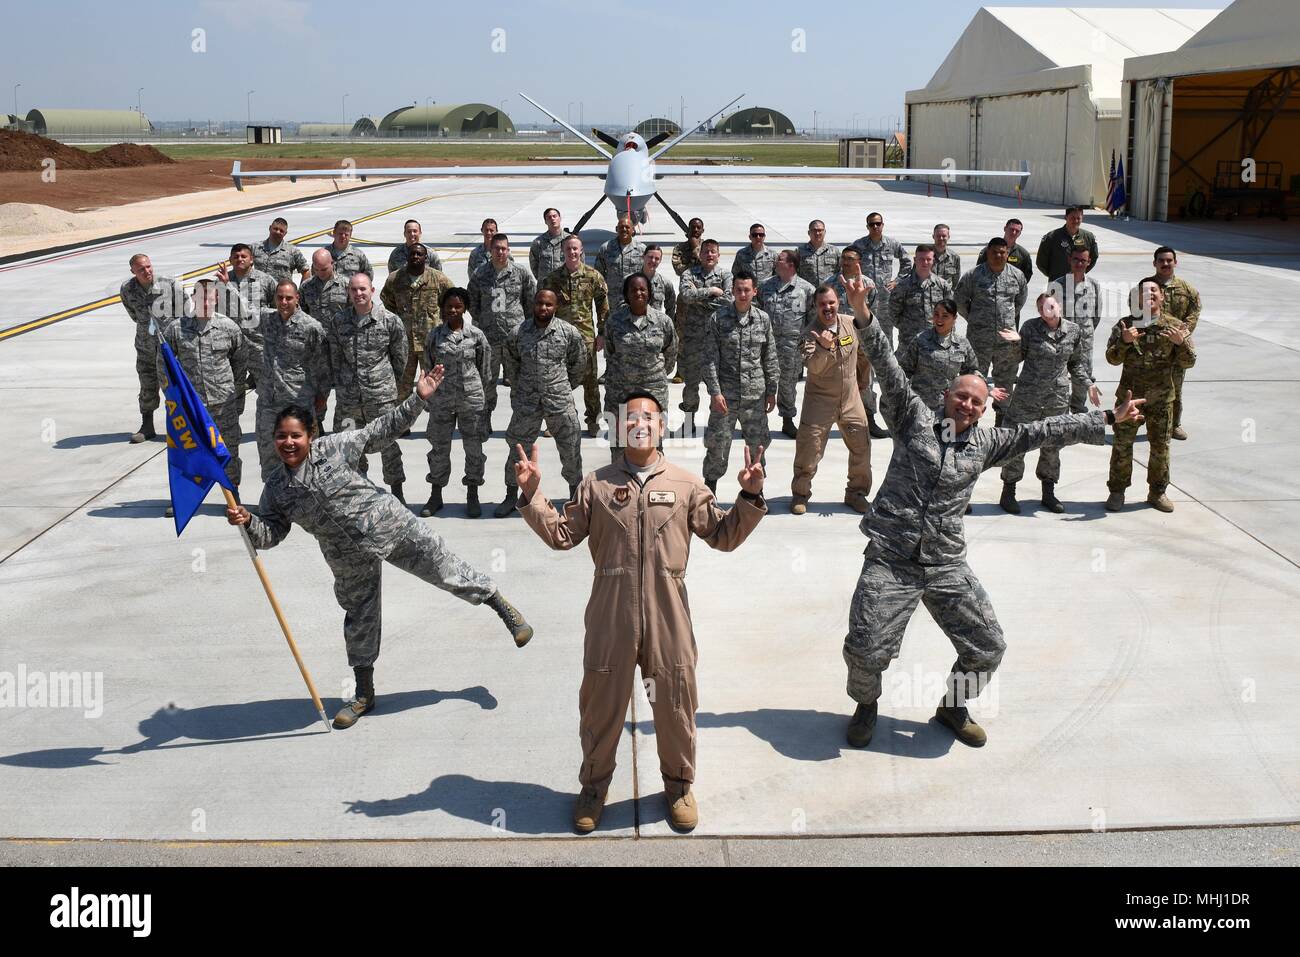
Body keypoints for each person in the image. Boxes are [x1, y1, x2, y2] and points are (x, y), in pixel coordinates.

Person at [840, 276, 1145, 749]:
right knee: (864, 650)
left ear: (984, 411)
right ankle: (866, 705)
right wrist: (863, 314)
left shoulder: (987, 443)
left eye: (976, 401)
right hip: (892, 558)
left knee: (987, 647)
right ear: (945, 397)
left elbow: (1044, 429)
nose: (966, 404)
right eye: (960, 395)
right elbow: (886, 366)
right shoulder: (912, 417)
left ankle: (952, 707)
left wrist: (1105, 418)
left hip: (944, 563)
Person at [515, 390, 768, 833]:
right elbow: (561, 535)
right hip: (610, 617)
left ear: (661, 425)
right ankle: (593, 788)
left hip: (668, 615)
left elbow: (724, 535)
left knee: (674, 702)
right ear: (619, 427)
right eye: (631, 417)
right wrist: (534, 493)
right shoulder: (595, 484)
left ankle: (678, 786)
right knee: (600, 705)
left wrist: (748, 496)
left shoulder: (687, 485)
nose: (640, 423)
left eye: (648, 417)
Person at [226, 366, 533, 730]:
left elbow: (381, 431)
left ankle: (500, 605)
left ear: (311, 434)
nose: (288, 443)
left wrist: (418, 398)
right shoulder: (275, 488)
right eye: (281, 437)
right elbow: (271, 534)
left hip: (391, 525)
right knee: (360, 619)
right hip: (347, 558)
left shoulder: (336, 447)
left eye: (296, 435)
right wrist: (248, 522)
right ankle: (363, 694)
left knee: (445, 567)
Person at [996, 294, 1100, 515]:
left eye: (1052, 305)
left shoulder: (1073, 330)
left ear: (1059, 306)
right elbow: (1016, 359)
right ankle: (1008, 491)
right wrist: (1016, 344)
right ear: (1040, 312)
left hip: (1056, 399)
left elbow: (1075, 363)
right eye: (1043, 308)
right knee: (1018, 442)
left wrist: (1088, 384)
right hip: (1028, 397)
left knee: (1052, 447)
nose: (1048, 310)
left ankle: (1048, 492)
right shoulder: (1030, 328)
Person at [1104, 280, 1195, 513]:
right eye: (1144, 292)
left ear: (1162, 296)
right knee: (1122, 445)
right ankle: (1117, 491)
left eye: (1154, 291)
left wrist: (1181, 343)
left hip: (1162, 399)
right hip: (1129, 400)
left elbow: (1189, 362)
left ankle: (1157, 492)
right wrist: (1124, 343)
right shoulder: (1126, 325)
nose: (1149, 295)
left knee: (1160, 447)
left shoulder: (1175, 327)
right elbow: (1112, 359)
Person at [157, 279, 245, 512]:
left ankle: (232, 493)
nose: (205, 302)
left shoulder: (229, 328)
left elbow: (239, 364)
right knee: (187, 451)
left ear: (217, 298)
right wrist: (171, 396)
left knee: (228, 450)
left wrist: (236, 398)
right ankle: (185, 498)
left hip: (223, 403)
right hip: (191, 406)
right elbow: (163, 364)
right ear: (192, 299)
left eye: (210, 297)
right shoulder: (176, 329)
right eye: (200, 297)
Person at [497, 289, 587, 517]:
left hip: (559, 400)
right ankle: (511, 494)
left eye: (548, 304)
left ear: (555, 307)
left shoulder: (568, 332)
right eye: (539, 303)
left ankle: (575, 495)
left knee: (570, 447)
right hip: (527, 401)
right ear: (533, 305)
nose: (543, 308)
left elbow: (579, 363)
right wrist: (521, 387)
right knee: (517, 448)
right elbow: (511, 363)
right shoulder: (518, 333)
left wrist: (564, 385)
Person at [325, 272, 409, 501]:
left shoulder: (390, 321)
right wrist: (344, 384)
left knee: (388, 446)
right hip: (349, 400)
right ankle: (357, 494)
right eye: (354, 290)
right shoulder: (339, 321)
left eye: (363, 289)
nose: (358, 293)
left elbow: (400, 359)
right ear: (348, 293)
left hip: (380, 398)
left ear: (372, 290)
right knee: (348, 446)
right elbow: (335, 356)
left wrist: (384, 384)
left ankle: (397, 493)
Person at [791, 285, 871, 515]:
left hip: (850, 398)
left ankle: (856, 493)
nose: (828, 308)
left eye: (831, 303)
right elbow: (814, 368)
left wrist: (863, 379)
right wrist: (823, 348)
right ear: (816, 307)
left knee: (861, 447)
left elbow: (863, 352)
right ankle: (800, 494)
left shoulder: (850, 324)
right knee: (809, 450)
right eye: (822, 304)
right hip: (820, 401)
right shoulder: (809, 334)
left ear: (838, 303)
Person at [701, 271, 778, 494]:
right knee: (717, 446)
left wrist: (772, 390)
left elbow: (770, 356)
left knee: (758, 446)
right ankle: (710, 491)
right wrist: (715, 392)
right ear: (732, 291)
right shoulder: (718, 318)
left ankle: (757, 491)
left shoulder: (763, 319)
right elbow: (710, 359)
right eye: (738, 290)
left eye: (747, 290)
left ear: (755, 291)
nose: (743, 294)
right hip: (726, 397)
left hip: (755, 397)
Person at [421, 288, 491, 518]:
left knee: (474, 449)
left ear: (465, 309)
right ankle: (436, 494)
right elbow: (428, 365)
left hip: (470, 400)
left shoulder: (476, 336)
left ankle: (472, 493)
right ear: (443, 308)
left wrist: (484, 400)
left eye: (457, 306)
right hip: (441, 401)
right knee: (439, 448)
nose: (452, 310)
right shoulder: (434, 336)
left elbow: (485, 370)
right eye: (449, 306)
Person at [254, 280, 330, 481]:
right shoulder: (267, 320)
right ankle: (273, 503)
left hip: (299, 402)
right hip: (269, 403)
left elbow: (322, 364)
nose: (284, 302)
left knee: (304, 455)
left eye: (289, 298)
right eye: (280, 298)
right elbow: (243, 309)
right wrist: (227, 286)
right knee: (269, 453)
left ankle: (307, 500)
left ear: (297, 299)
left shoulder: (311, 327)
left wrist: (322, 395)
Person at [603, 273, 677, 462]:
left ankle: (653, 483)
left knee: (653, 439)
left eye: (642, 289)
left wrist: (655, 373)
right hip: (620, 390)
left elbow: (671, 352)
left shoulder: (663, 321)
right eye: (633, 289)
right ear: (626, 294)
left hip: (652, 390)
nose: (638, 293)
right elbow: (610, 352)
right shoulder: (614, 321)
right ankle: (620, 484)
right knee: (619, 440)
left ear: (650, 292)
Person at [955, 237, 1027, 426]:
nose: (998, 255)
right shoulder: (974, 275)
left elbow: (1019, 301)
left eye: (1002, 252)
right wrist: (974, 319)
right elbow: (960, 300)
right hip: (979, 339)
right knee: (974, 379)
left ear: (1007, 254)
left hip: (1006, 340)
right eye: (994, 252)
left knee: (1005, 380)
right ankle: (971, 421)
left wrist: (1006, 320)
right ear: (988, 252)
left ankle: (1001, 423)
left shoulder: (1017, 276)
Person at [468, 233, 537, 426]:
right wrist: (483, 321)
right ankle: (485, 419)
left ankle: (519, 421)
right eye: (497, 248)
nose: (500, 252)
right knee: (487, 381)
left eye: (504, 248)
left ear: (508, 250)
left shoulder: (520, 273)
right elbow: (472, 302)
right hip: (489, 339)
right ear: (490, 250)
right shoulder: (480, 274)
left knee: (518, 381)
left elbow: (530, 301)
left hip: (515, 339)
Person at [543, 234, 609, 436]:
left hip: (585, 338)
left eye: (575, 249)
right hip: (560, 339)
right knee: (558, 383)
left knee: (590, 383)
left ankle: (593, 421)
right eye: (568, 249)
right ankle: (558, 422)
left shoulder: (593, 276)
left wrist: (602, 333)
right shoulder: (553, 279)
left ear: (581, 251)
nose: (572, 252)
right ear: (563, 252)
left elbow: (603, 305)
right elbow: (544, 308)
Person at [120, 253, 188, 443]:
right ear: (133, 271)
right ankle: (147, 426)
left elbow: (186, 311)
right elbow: (134, 315)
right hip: (145, 347)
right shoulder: (127, 289)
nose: (147, 271)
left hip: (170, 347)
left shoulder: (169, 285)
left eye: (149, 266)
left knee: (174, 387)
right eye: (141, 269)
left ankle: (180, 428)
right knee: (147, 385)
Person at [380, 242, 454, 401]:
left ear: (425, 258)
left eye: (419, 254)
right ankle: (402, 424)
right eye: (412, 254)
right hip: (403, 344)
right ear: (407, 256)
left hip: (430, 343)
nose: (415, 256)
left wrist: (445, 328)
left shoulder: (437, 278)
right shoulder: (395, 279)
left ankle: (437, 423)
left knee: (435, 387)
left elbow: (452, 301)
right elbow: (387, 302)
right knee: (401, 389)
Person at [757, 249, 817, 438]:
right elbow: (757, 311)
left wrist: (807, 344)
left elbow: (813, 318)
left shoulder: (807, 289)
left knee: (788, 385)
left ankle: (787, 420)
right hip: (766, 345)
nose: (776, 260)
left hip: (792, 348)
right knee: (760, 383)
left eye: (780, 259)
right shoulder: (766, 286)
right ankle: (758, 422)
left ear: (791, 265)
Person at [677, 239, 735, 430]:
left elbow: (728, 300)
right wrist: (710, 291)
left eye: (713, 252)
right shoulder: (689, 273)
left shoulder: (726, 274)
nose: (709, 255)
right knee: (691, 384)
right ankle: (688, 421)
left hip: (717, 340)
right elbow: (686, 296)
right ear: (700, 254)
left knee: (717, 384)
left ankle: (716, 422)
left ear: (718, 255)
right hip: (694, 340)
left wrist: (698, 298)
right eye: (706, 252)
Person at [1147, 246, 1202, 440]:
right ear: (1155, 263)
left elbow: (1194, 312)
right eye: (1161, 260)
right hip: (1152, 348)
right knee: (1147, 385)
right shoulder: (1146, 287)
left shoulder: (1187, 289)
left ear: (1175, 263)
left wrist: (1181, 333)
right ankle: (1143, 421)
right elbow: (1137, 312)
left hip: (1177, 347)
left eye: (1169, 260)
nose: (1165, 264)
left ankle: (1174, 425)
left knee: (1175, 387)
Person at [215, 243, 276, 411]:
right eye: (235, 256)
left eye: (244, 256)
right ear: (230, 260)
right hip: (231, 348)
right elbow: (214, 313)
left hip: (259, 346)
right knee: (232, 391)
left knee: (269, 390)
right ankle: (232, 431)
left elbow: (278, 310)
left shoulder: (265, 280)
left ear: (251, 259)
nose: (239, 259)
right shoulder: (220, 282)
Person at [299, 248, 351, 432]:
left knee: (346, 391)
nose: (320, 273)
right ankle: (316, 425)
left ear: (333, 265)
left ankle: (344, 428)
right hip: (317, 351)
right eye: (317, 269)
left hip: (341, 350)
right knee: (317, 391)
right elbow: (301, 315)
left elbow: (355, 313)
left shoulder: (346, 285)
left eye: (324, 269)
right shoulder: (306, 287)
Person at [1048, 247, 1104, 414]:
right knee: (1059, 375)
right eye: (1076, 259)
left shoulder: (1094, 285)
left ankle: (1078, 407)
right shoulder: (1056, 285)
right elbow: (1049, 314)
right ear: (1069, 260)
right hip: (1061, 340)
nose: (1079, 263)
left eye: (1083, 260)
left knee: (1084, 375)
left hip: (1085, 341)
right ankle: (1060, 408)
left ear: (1088, 262)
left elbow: (1096, 314)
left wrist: (1085, 332)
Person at [849, 211, 912, 344]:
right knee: (863, 331)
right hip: (865, 297)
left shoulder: (891, 244)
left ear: (883, 225)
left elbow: (906, 261)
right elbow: (847, 262)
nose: (875, 227)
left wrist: (897, 281)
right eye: (872, 224)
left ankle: (885, 363)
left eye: (878, 224)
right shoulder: (858, 245)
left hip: (885, 298)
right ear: (867, 227)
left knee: (886, 334)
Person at [888, 244, 952, 350]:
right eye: (921, 259)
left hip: (935, 341)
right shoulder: (903, 286)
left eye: (928, 259)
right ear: (915, 260)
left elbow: (950, 313)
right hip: (909, 342)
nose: (925, 262)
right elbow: (893, 312)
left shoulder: (942, 285)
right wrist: (906, 328)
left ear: (933, 260)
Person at [670, 217, 705, 381]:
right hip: (685, 300)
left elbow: (708, 267)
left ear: (702, 230)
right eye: (693, 227)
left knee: (705, 335)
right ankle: (681, 371)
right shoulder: (679, 248)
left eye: (698, 228)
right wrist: (692, 251)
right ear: (688, 230)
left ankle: (704, 371)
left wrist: (697, 249)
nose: (696, 230)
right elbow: (680, 270)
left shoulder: (707, 247)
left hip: (704, 300)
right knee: (681, 335)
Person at [594, 215, 645, 311]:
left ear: (633, 230)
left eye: (627, 227)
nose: (624, 229)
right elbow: (598, 274)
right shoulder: (606, 248)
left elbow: (646, 275)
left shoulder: (642, 249)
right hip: (612, 302)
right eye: (621, 227)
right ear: (616, 229)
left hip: (634, 299)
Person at [1035, 206, 1099, 282]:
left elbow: (1093, 258)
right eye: (1072, 218)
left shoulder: (1088, 237)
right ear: (1065, 217)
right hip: (1057, 283)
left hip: (1078, 283)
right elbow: (1041, 262)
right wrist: (1054, 275)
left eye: (1078, 218)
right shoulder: (1052, 237)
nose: (1075, 221)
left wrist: (1081, 272)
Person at [252, 217, 309, 283]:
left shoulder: (292, 251)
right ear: (270, 228)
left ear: (285, 233)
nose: (278, 232)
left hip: (281, 292)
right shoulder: (255, 247)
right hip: (259, 292)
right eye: (275, 229)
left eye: (281, 231)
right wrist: (244, 290)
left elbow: (306, 272)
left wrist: (301, 292)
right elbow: (242, 268)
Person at [976, 218, 1033, 284]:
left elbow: (1027, 274)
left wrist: (1017, 287)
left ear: (1020, 233)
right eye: (1011, 229)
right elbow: (978, 269)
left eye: (1017, 231)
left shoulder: (1023, 254)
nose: (1014, 232)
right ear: (1005, 228)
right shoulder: (989, 250)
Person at [796, 220, 840, 287]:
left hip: (828, 292)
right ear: (809, 232)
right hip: (808, 292)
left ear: (825, 232)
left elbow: (840, 271)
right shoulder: (800, 251)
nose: (817, 233)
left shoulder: (834, 251)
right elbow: (794, 272)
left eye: (820, 230)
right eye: (814, 230)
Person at [528, 209, 566, 283]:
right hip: (545, 287)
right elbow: (534, 265)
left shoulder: (570, 240)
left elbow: (579, 261)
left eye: (554, 216)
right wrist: (542, 279)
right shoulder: (538, 242)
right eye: (549, 217)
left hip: (565, 286)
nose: (552, 219)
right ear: (545, 221)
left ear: (560, 218)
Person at [641, 244, 676, 316]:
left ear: (660, 261)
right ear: (643, 257)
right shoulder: (630, 280)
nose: (653, 260)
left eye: (657, 258)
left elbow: (671, 309)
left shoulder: (665, 283)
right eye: (650, 257)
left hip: (655, 326)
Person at [932, 224, 961, 288]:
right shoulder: (924, 255)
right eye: (938, 236)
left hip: (946, 296)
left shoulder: (954, 257)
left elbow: (956, 281)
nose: (941, 238)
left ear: (948, 237)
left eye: (944, 236)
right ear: (933, 236)